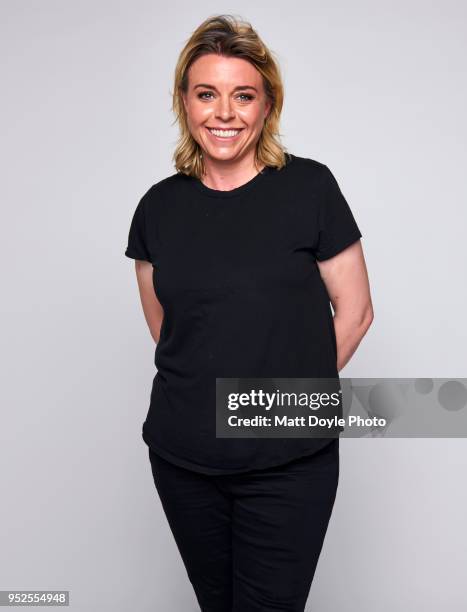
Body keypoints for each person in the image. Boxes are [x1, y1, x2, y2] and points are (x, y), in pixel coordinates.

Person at [124, 14, 374, 612]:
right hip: (182, 459)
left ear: (267, 105)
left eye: (244, 95)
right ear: (184, 102)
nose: (225, 113)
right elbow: (170, 331)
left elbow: (357, 312)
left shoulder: (310, 189)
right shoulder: (157, 208)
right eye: (207, 94)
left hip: (288, 462)